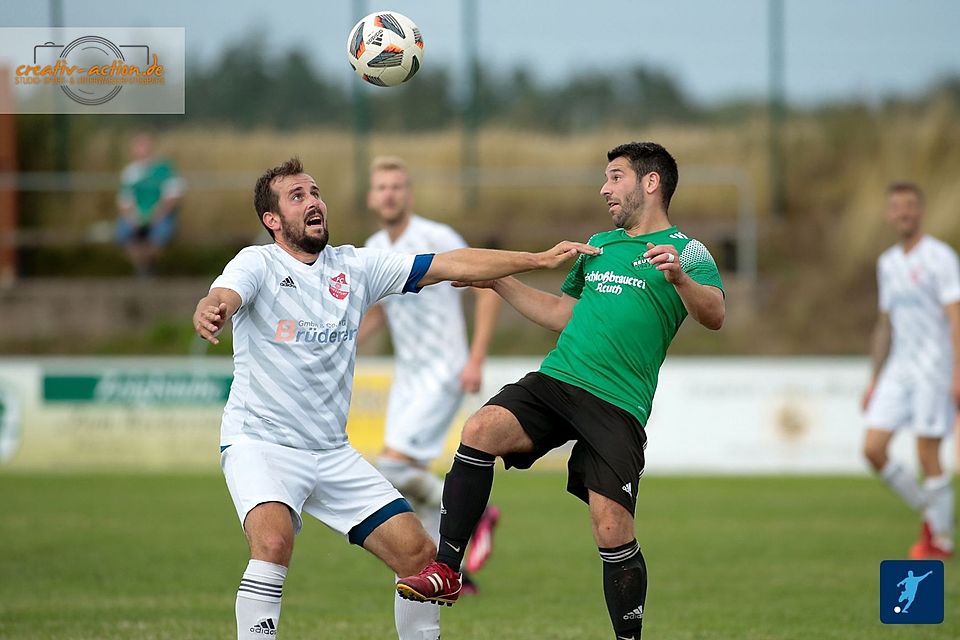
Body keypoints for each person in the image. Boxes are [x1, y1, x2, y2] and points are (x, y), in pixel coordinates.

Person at [192, 157, 598, 640]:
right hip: (260, 444)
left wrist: (537, 260)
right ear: (272, 221)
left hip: (331, 452)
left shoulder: (356, 266)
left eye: (316, 192)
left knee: (421, 557)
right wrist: (213, 309)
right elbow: (223, 295)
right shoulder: (256, 262)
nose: (314, 202)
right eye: (297, 196)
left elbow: (454, 264)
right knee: (274, 542)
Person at [397, 142, 725, 640]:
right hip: (559, 380)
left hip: (618, 405)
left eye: (615, 177)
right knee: (481, 427)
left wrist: (679, 277)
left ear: (650, 182)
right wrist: (499, 283)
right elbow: (562, 314)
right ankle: (447, 568)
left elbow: (715, 314)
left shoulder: (687, 250)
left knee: (612, 529)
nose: (604, 188)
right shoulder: (599, 245)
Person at [359, 156, 502, 594]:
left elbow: (487, 289)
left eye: (396, 186)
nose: (389, 194)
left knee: (390, 467)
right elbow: (379, 310)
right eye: (381, 187)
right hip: (408, 375)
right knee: (408, 479)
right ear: (371, 197)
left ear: (409, 194)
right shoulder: (372, 245)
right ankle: (449, 572)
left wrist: (475, 358)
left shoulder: (437, 237)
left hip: (445, 369)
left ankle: (474, 512)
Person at [862, 181, 958, 560]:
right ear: (890, 214)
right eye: (897, 207)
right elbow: (885, 324)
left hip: (935, 368)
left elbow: (955, 317)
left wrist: (957, 372)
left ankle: (942, 539)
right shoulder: (888, 263)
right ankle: (933, 514)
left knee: (927, 453)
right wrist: (874, 379)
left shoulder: (940, 258)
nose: (903, 213)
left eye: (910, 206)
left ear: (921, 211)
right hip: (898, 370)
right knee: (872, 449)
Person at [115, 132, 183, 276]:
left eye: (143, 146)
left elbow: (172, 198)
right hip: (137, 216)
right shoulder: (130, 172)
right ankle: (142, 268)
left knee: (160, 233)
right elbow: (124, 201)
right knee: (123, 232)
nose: (141, 150)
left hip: (160, 215)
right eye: (138, 146)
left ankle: (150, 267)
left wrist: (156, 216)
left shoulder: (165, 169)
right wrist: (131, 217)